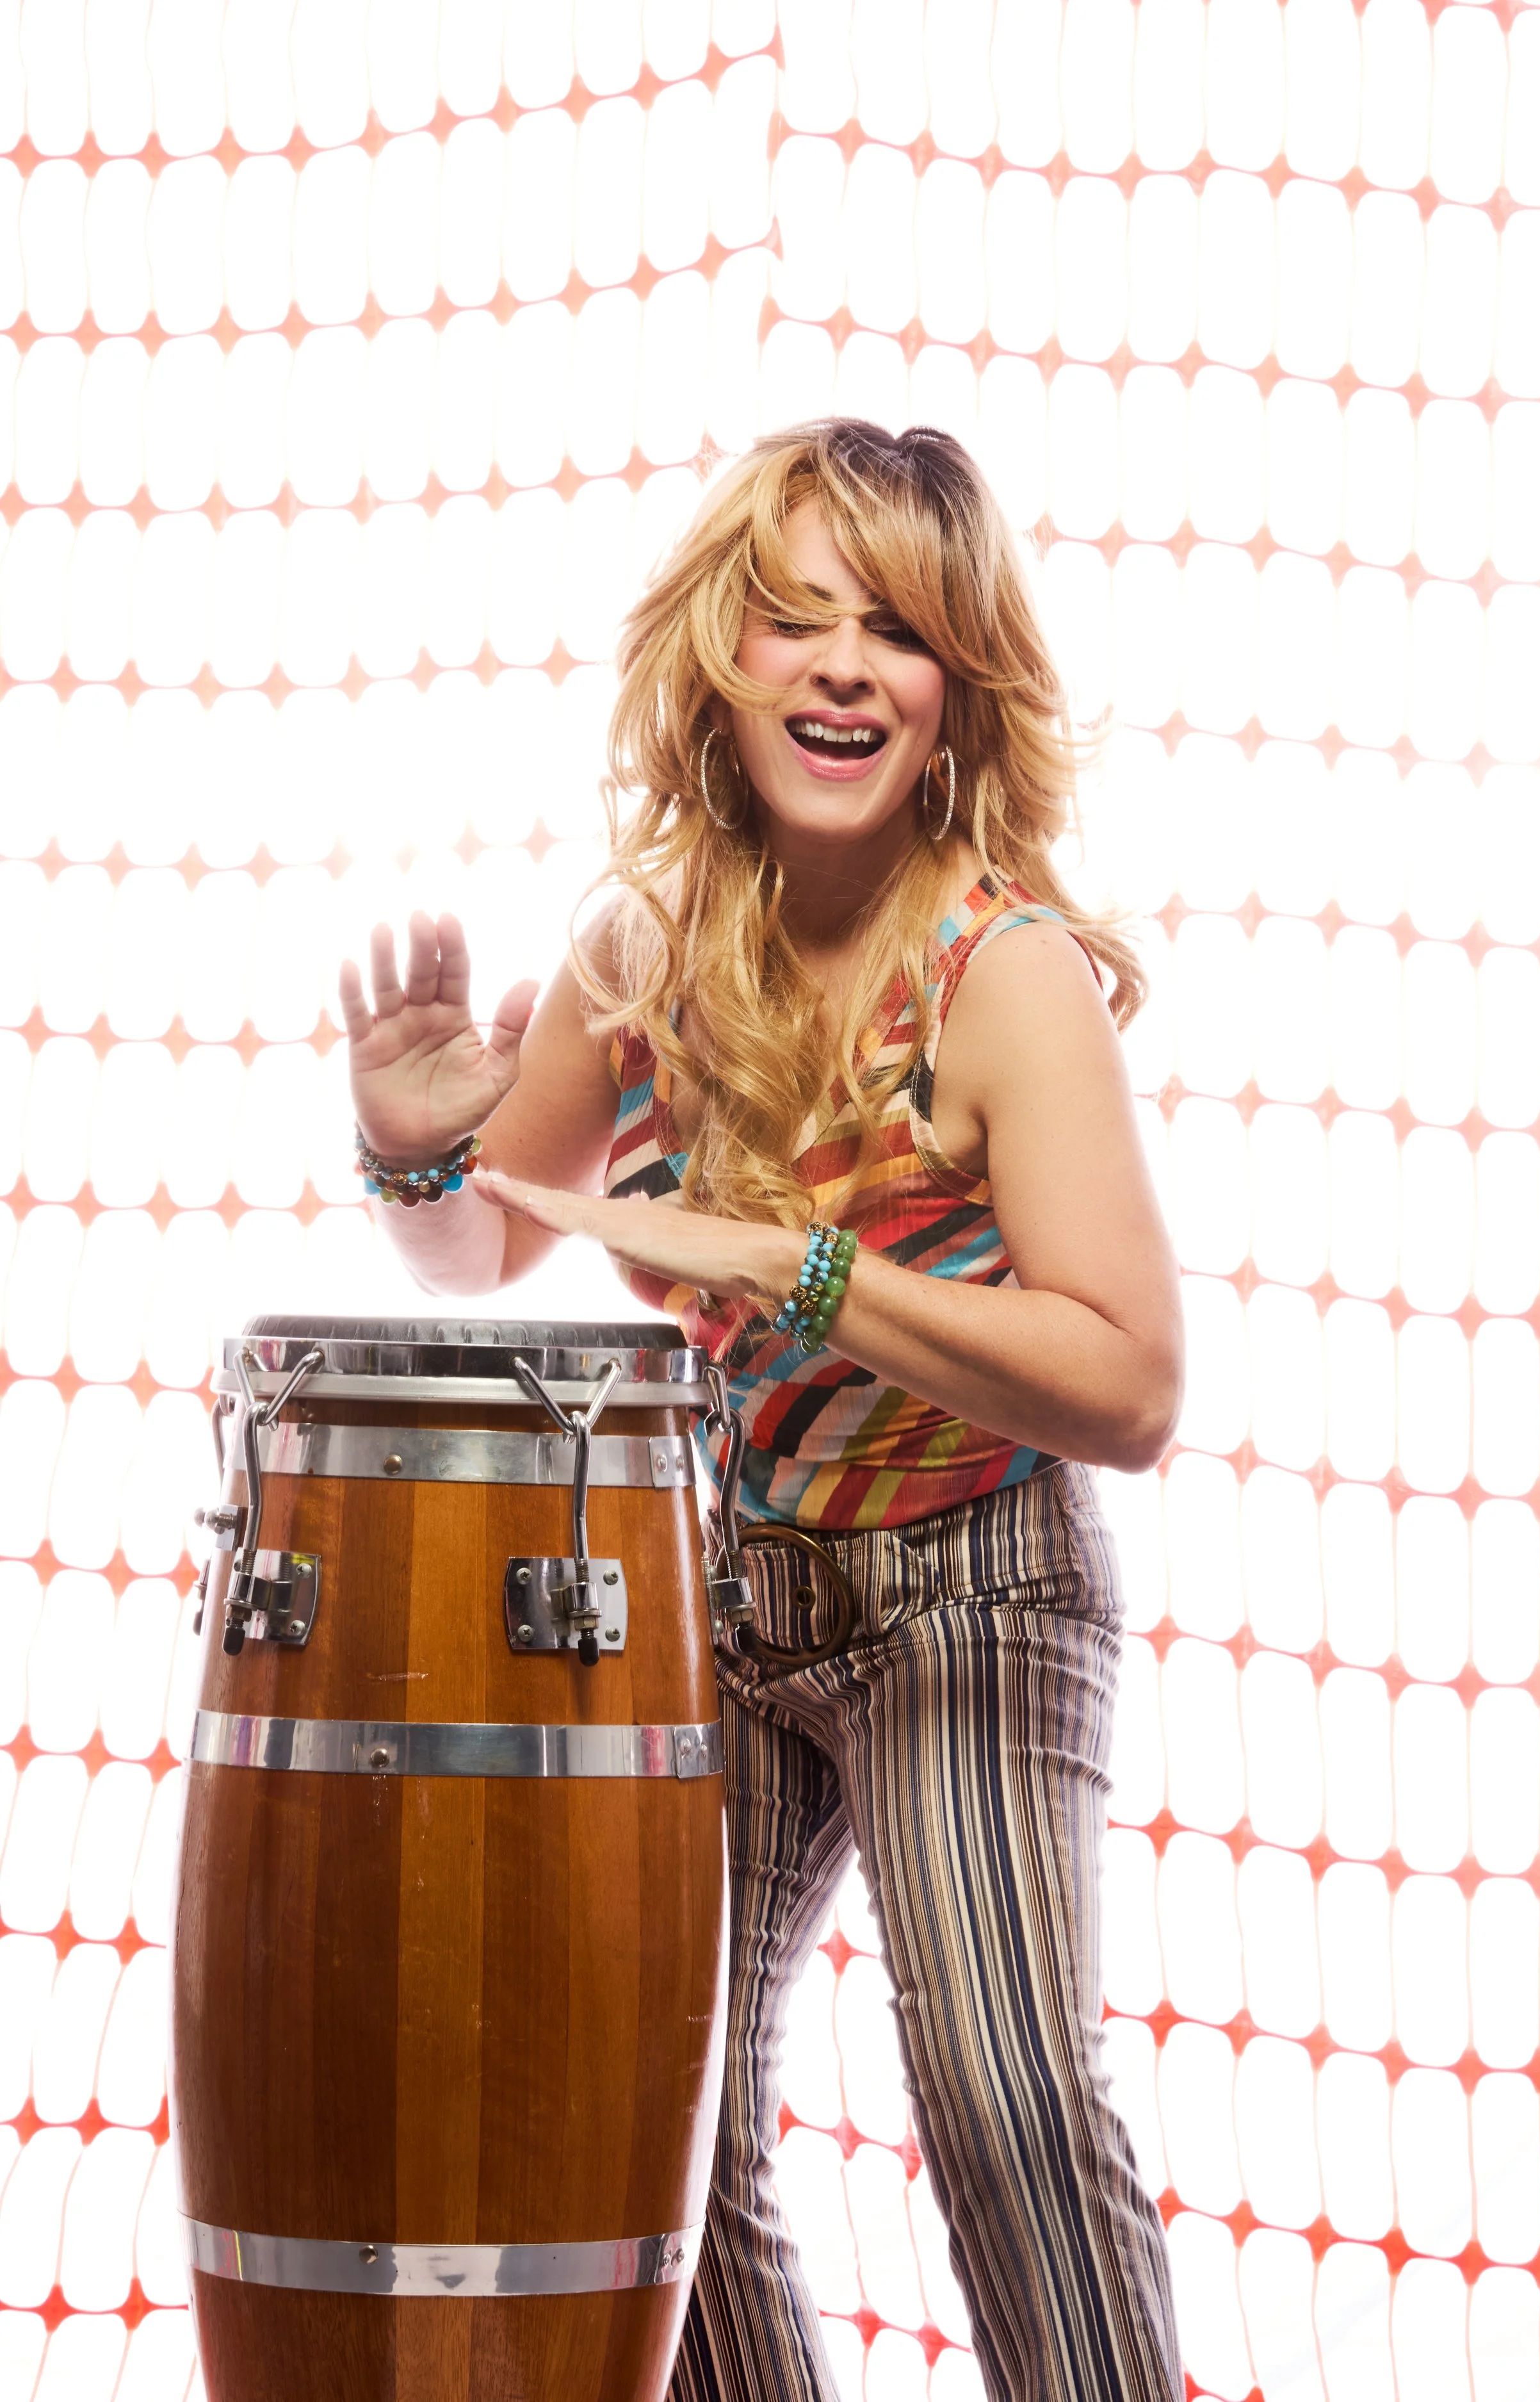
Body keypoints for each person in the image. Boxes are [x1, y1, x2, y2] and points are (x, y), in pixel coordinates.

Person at [339, 418, 1186, 2402]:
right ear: (718, 652)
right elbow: (489, 1246)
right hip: (748, 1590)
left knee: (996, 2100)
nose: (836, 664)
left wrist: (790, 1266)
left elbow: (1131, 1385)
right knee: (650, 2121)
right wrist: (404, 1150)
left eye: (888, 628)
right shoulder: (645, 942)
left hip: (973, 1586)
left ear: (953, 682)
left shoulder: (1001, 973)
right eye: (791, 615)